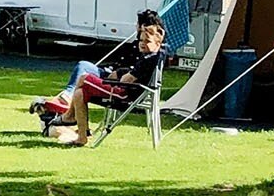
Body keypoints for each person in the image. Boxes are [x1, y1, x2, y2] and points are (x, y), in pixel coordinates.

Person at [30, 11, 171, 143]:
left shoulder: (148, 59)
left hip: (124, 93)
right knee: (79, 92)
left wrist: (122, 74)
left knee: (83, 78)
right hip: (125, 89)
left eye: (147, 41)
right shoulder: (153, 54)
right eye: (141, 40)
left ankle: (68, 114)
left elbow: (126, 80)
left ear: (157, 43)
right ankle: (82, 137)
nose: (142, 43)